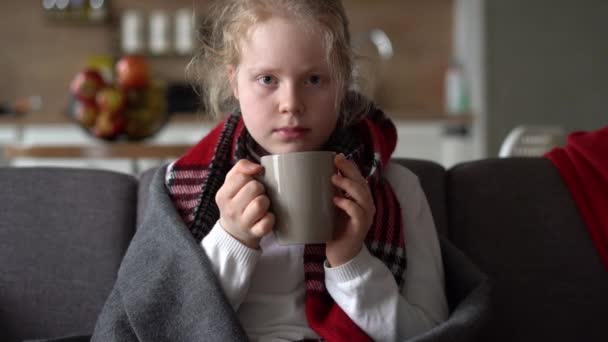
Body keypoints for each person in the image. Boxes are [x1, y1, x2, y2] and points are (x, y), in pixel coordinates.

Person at [92, 0, 448, 341]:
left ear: (342, 82)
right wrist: (231, 239)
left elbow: (432, 332)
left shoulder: (399, 190)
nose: (291, 103)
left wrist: (351, 260)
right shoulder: (182, 189)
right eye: (267, 79)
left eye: (314, 80)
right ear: (234, 83)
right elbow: (155, 328)